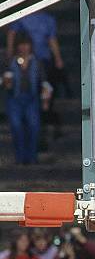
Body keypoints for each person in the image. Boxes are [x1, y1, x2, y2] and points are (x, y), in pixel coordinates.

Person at [4, 34, 50, 165]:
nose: (24, 48)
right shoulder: (10, 62)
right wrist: (6, 82)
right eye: (21, 45)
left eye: (26, 45)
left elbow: (44, 82)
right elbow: (4, 80)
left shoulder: (37, 62)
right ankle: (20, 157)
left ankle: (32, 157)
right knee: (16, 126)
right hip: (15, 99)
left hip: (32, 99)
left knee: (33, 126)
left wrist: (45, 98)